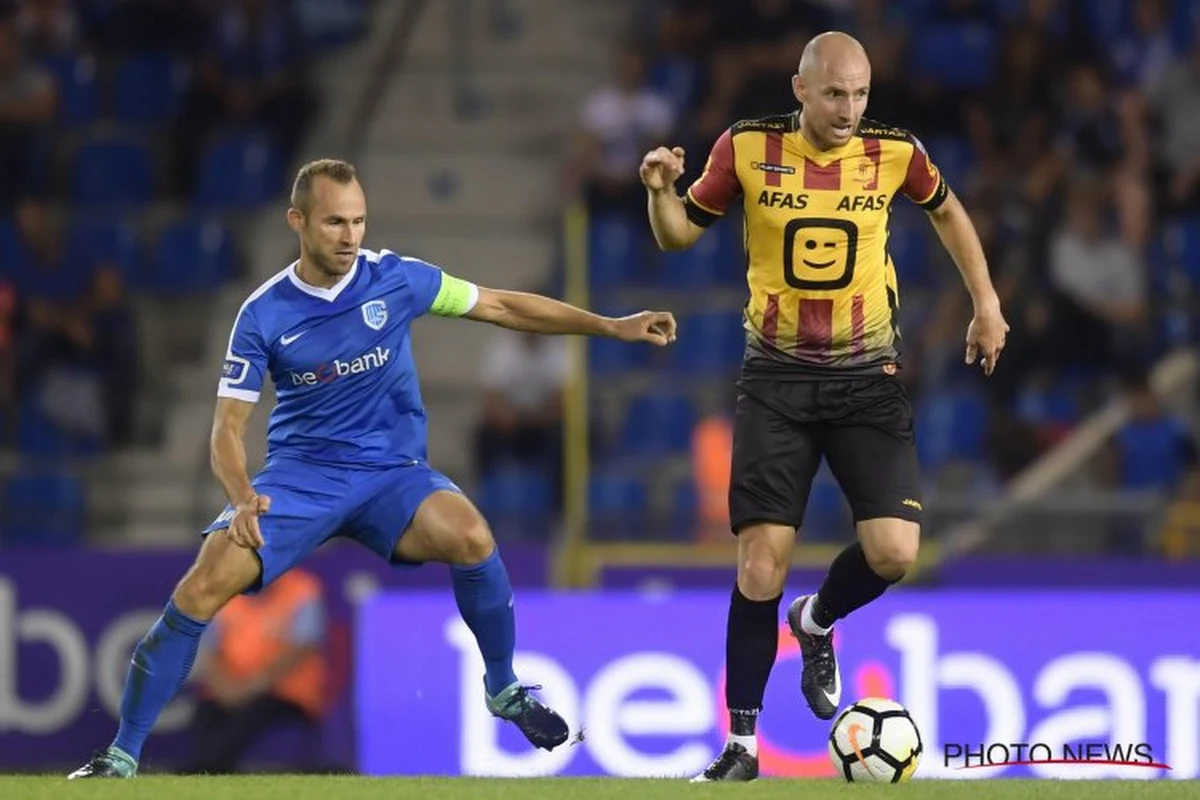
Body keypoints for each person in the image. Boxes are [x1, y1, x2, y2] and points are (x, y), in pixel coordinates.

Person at [69, 158, 677, 779]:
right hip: (301, 478)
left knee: (471, 535)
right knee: (199, 587)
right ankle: (120, 756)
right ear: (298, 222)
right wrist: (242, 495)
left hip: (393, 474)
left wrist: (611, 326)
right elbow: (227, 427)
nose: (350, 235)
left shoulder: (398, 280)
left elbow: (498, 306)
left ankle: (503, 688)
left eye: (358, 221)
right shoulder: (263, 313)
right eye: (335, 222)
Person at [639, 32, 1008, 782]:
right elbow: (678, 236)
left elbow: (948, 213)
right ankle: (742, 747)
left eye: (861, 94)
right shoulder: (745, 148)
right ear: (801, 89)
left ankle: (818, 619)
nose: (849, 109)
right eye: (835, 93)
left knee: (895, 554)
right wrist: (656, 192)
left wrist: (986, 302)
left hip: (867, 376)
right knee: (758, 565)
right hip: (774, 379)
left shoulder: (896, 154)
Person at [183, 567, 329, 775]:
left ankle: (205, 769)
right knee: (207, 713)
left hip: (284, 692)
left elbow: (303, 647)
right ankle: (206, 769)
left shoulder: (301, 590)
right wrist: (225, 689)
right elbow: (210, 651)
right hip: (230, 689)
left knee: (249, 717)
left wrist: (253, 687)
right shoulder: (224, 592)